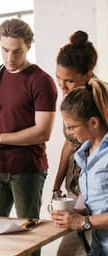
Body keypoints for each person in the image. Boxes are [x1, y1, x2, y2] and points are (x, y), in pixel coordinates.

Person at [0, 18, 57, 220]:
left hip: (27, 169)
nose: (10, 57)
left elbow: (43, 132)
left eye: (17, 51)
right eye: (5, 50)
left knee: (27, 233)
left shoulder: (41, 81)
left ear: (28, 46)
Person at [52, 31, 98, 256]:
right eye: (58, 79)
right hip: (77, 188)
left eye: (68, 80)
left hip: (97, 189)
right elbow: (69, 144)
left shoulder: (98, 102)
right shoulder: (71, 100)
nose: (62, 86)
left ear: (88, 75)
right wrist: (56, 184)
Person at [52, 78, 108, 255]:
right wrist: (74, 213)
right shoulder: (86, 153)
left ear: (93, 123)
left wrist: (83, 221)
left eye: (71, 127)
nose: (68, 133)